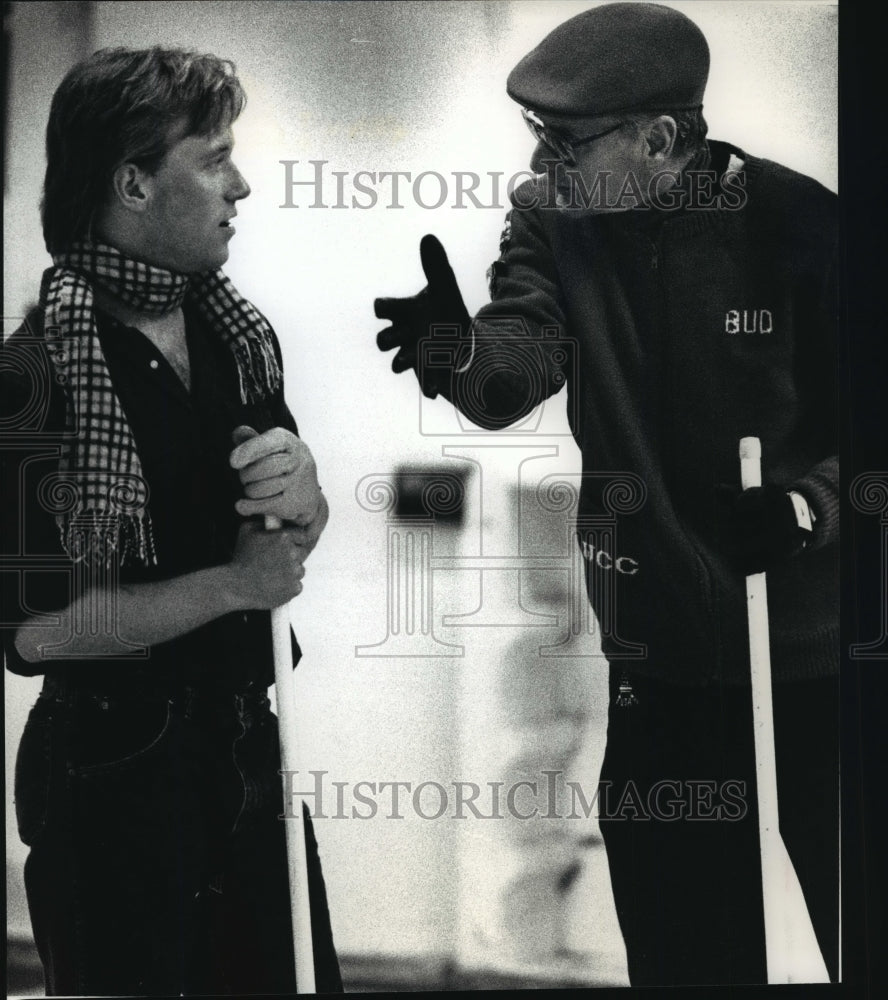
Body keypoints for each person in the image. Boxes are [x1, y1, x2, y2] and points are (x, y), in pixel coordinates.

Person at [375, 2, 838, 987]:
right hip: (661, 660)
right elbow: (514, 368)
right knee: (683, 951)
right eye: (537, 139)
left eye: (566, 142)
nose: (543, 165)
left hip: (814, 660)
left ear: (662, 138)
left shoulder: (806, 226)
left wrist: (809, 508)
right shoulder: (553, 219)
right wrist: (455, 350)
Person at [1, 47, 342, 995]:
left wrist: (305, 495)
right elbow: (37, 630)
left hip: (245, 740)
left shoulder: (236, 336)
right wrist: (233, 586)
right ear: (134, 183)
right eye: (214, 157)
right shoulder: (34, 372)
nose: (240, 185)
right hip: (113, 762)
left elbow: (285, 535)